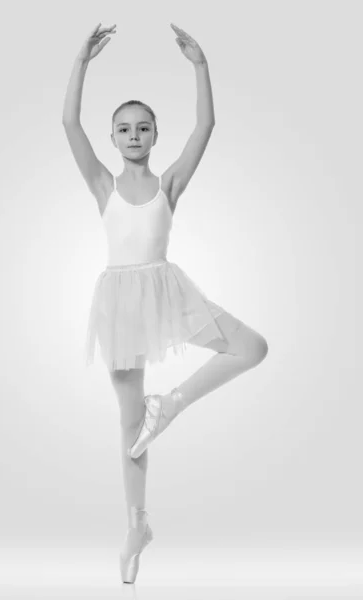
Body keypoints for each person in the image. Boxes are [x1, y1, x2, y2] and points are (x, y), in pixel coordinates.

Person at [62, 22, 269, 584]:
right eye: (124, 129)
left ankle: (172, 403)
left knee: (251, 347)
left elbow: (206, 126)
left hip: (166, 290)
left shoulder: (169, 185)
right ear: (113, 139)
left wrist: (201, 66)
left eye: (143, 128)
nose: (133, 135)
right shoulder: (103, 186)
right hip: (120, 302)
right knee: (131, 429)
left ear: (155, 136)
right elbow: (68, 124)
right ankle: (136, 529)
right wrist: (81, 62)